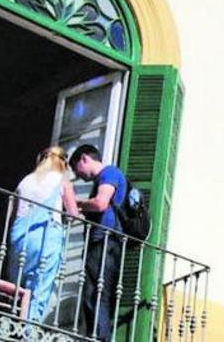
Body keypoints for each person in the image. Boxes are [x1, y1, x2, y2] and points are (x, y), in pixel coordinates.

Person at [8, 146, 79, 322]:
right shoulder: (61, 180)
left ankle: (10, 322)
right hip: (46, 236)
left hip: (20, 236)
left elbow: (12, 214)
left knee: (17, 287)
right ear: (62, 163)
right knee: (39, 288)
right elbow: (73, 214)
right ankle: (28, 331)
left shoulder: (25, 181)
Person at [70, 144, 127, 342]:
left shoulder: (109, 173)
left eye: (78, 170)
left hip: (106, 239)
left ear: (84, 158)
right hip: (103, 239)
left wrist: (76, 203)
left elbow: (101, 203)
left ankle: (100, 338)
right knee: (92, 293)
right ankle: (95, 336)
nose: (80, 176)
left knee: (97, 293)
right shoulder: (104, 177)